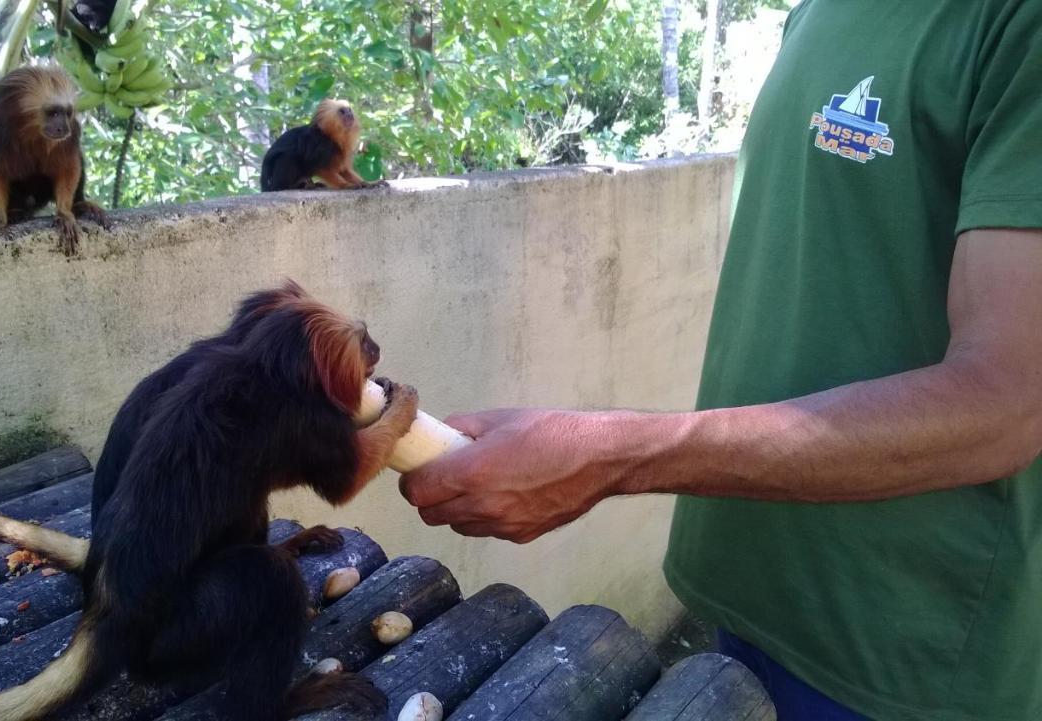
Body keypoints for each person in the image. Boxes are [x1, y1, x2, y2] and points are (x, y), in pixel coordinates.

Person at [397, 2, 1042, 719]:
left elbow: (1006, 400)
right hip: (746, 598)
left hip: (896, 661)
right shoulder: (819, 13)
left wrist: (615, 453)